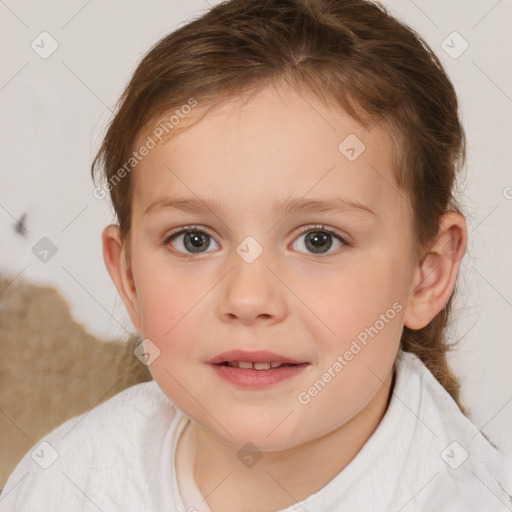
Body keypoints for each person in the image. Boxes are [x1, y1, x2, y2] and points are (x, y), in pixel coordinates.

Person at [1, 0, 511, 510]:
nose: (248, 299)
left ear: (426, 276)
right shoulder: (63, 486)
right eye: (194, 240)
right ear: (129, 277)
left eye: (318, 240)